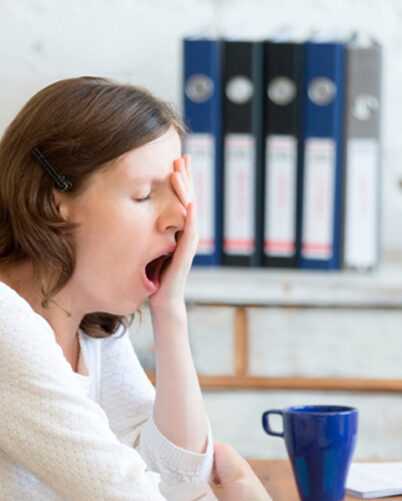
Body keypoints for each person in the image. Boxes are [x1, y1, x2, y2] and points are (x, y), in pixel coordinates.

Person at [0, 76, 270, 500]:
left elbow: (178, 481)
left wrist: (170, 309)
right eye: (144, 194)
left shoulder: (88, 327)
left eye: (177, 195)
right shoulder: (6, 324)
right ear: (55, 199)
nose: (179, 220)